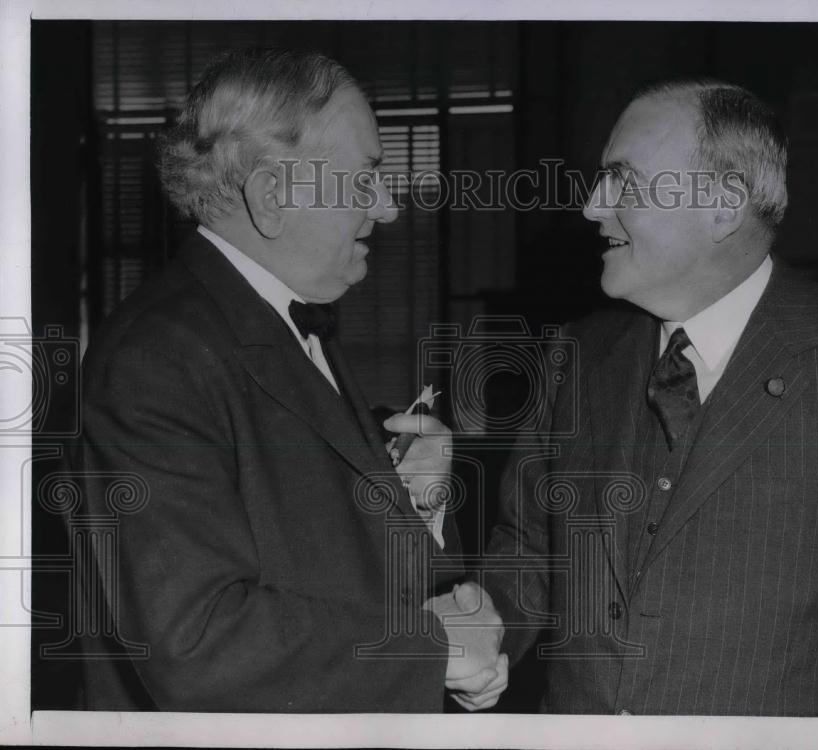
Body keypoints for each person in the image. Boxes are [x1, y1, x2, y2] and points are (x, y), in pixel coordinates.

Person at [481, 79, 818, 716]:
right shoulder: (576, 357)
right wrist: (485, 632)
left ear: (724, 204)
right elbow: (529, 550)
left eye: (623, 180)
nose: (593, 206)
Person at [70, 47, 506, 713]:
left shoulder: (285, 323)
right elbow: (200, 642)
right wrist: (437, 647)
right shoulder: (157, 358)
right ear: (273, 195)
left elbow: (323, 569)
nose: (388, 208)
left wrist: (413, 509)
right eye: (365, 179)